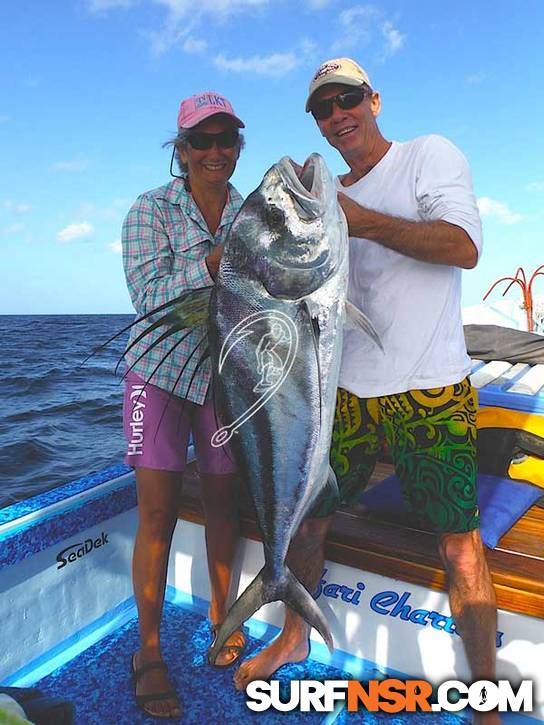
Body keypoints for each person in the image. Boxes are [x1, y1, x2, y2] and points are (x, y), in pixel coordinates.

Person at [234, 57, 499, 724]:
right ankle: (295, 636)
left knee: (460, 544)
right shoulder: (326, 203)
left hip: (430, 389)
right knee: (309, 521)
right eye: (322, 108)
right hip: (343, 393)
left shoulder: (425, 157)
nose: (336, 115)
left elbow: (464, 246)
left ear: (374, 99)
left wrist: (358, 218)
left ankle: (486, 694)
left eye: (347, 98)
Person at [122, 91, 247, 719]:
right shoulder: (149, 209)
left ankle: (223, 613)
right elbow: (149, 297)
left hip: (226, 380)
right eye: (203, 140)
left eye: (227, 139)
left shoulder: (253, 212)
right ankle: (148, 650)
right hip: (159, 377)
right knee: (157, 515)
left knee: (226, 501)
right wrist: (213, 261)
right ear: (183, 149)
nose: (216, 151)